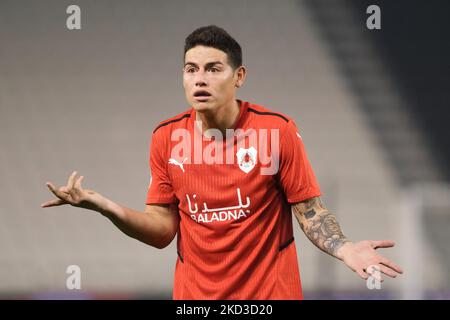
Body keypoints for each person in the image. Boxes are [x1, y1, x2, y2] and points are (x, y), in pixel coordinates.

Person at [42, 25, 403, 299]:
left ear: (239, 77)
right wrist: (104, 206)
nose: (200, 79)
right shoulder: (166, 138)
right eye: (191, 69)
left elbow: (310, 211)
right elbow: (162, 230)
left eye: (214, 68)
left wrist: (344, 247)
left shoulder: (276, 131)